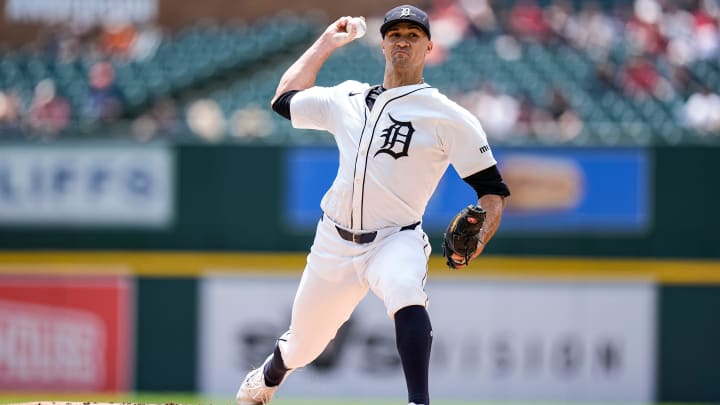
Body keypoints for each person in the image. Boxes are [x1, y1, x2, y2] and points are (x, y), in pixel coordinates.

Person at [236, 5, 510, 405]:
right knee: (303, 346)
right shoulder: (347, 96)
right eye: (395, 34)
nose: (403, 40)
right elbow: (283, 100)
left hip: (395, 239)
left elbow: (492, 191)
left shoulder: (447, 116)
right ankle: (265, 378)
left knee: (404, 290)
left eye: (413, 35)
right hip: (334, 242)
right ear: (382, 44)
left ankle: (419, 401)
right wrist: (327, 43)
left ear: (429, 47)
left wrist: (481, 234)